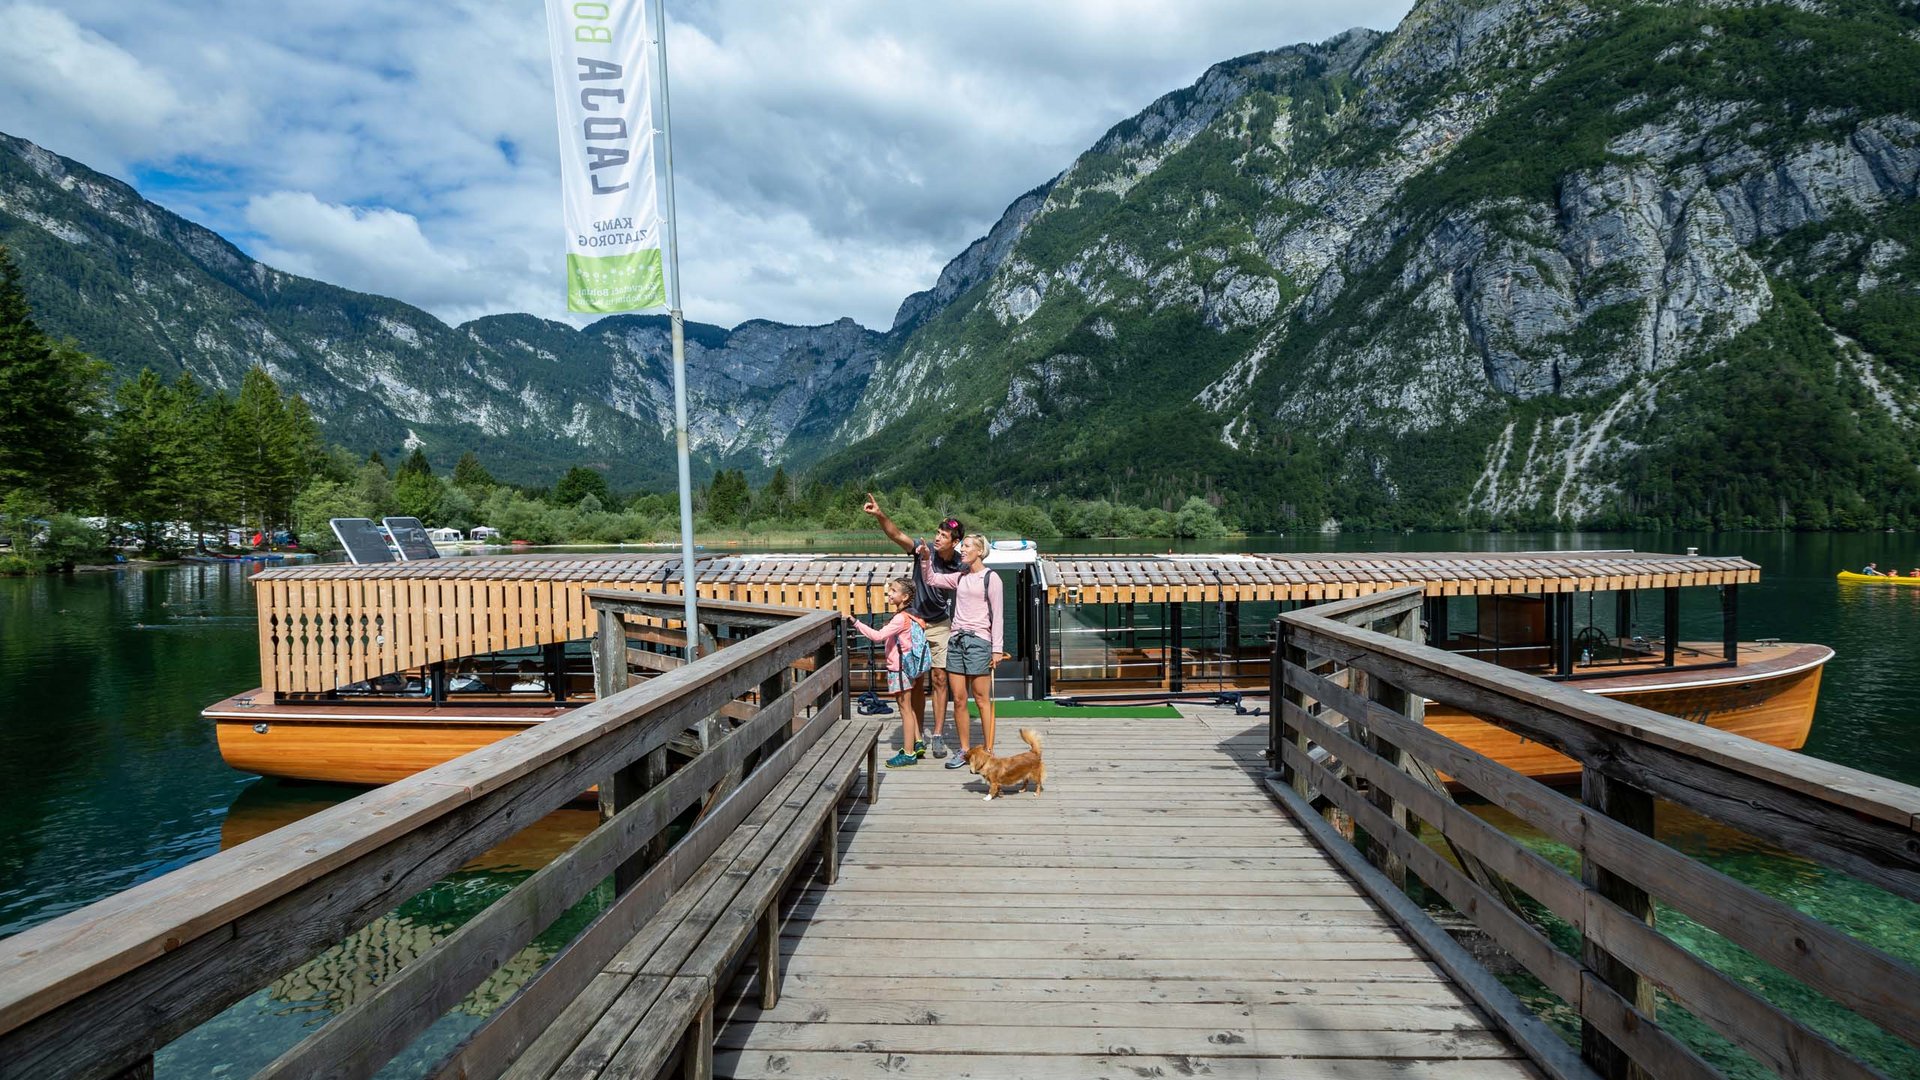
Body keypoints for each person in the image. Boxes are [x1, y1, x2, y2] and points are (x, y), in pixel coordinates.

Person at [863, 494, 965, 760]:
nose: (938, 537)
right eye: (938, 532)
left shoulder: (959, 563)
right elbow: (896, 534)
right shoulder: (923, 551)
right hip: (915, 624)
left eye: (944, 535)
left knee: (941, 679)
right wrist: (879, 515)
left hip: (941, 624)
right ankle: (917, 734)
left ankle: (939, 734)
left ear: (955, 542)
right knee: (916, 680)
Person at [920, 533, 1007, 766]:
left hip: (979, 642)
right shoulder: (959, 577)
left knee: (981, 699)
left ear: (979, 551)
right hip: (956, 641)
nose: (962, 550)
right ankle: (965, 751)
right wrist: (926, 559)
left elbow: (997, 616)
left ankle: (988, 752)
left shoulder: (992, 578)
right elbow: (931, 579)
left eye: (966, 546)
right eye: (962, 546)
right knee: (958, 699)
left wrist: (997, 650)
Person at [848, 577, 927, 768]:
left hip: (899, 670)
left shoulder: (900, 618)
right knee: (909, 708)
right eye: (889, 590)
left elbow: (877, 636)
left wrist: (856, 622)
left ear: (905, 596)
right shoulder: (913, 615)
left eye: (893, 590)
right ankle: (917, 742)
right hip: (910, 668)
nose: (889, 593)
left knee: (904, 710)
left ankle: (908, 754)